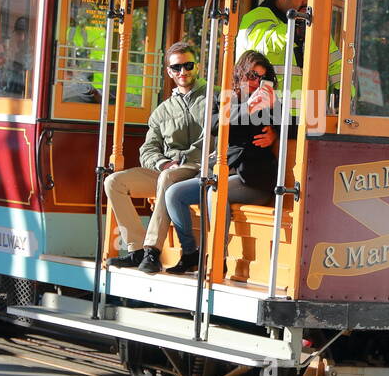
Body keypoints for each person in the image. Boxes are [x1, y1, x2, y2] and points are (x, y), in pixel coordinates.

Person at [162, 50, 280, 275]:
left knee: (214, 193)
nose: (257, 82)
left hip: (255, 181)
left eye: (262, 78)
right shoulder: (225, 98)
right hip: (224, 173)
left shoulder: (270, 101)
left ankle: (217, 257)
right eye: (252, 75)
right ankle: (190, 254)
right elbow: (215, 123)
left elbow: (297, 126)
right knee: (174, 194)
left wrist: (275, 131)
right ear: (240, 73)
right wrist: (248, 108)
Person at [103, 42, 208, 274]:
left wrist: (181, 159)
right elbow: (147, 150)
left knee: (168, 177)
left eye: (188, 65)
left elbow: (217, 136)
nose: (183, 72)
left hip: (200, 168)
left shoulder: (215, 97)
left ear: (197, 66)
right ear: (170, 72)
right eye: (177, 67)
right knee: (113, 182)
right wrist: (162, 162)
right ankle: (138, 250)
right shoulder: (162, 110)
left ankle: (153, 251)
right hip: (168, 172)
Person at [235, 0, 342, 112]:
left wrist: (344, 95)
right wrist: (297, 24)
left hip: (308, 115)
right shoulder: (256, 17)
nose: (306, 2)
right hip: (267, 113)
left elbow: (335, 61)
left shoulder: (308, 23)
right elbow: (267, 43)